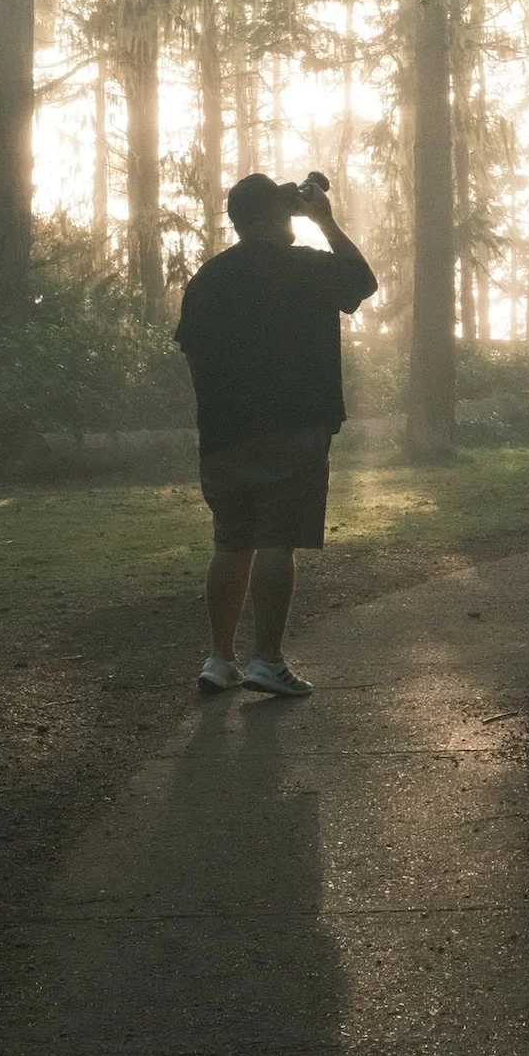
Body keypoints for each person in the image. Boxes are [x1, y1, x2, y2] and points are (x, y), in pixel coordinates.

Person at [175, 171, 378, 697]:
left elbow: (193, 356)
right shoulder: (304, 269)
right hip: (294, 426)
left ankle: (219, 659)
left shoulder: (208, 279)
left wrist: (213, 417)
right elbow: (361, 282)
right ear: (270, 215)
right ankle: (267, 660)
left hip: (224, 432)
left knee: (230, 543)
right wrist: (325, 220)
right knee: (276, 540)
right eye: (283, 212)